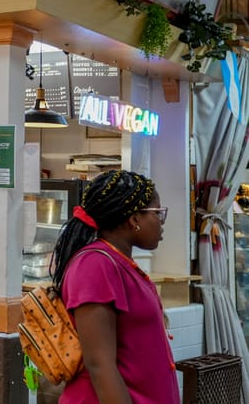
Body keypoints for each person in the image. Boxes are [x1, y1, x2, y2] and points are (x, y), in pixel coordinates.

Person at [52, 170, 177, 404]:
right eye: (158, 213)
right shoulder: (94, 265)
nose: (161, 222)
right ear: (134, 219)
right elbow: (100, 365)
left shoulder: (119, 262)